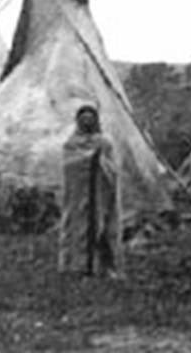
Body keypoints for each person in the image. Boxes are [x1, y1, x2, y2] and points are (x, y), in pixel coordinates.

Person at [58, 103, 124, 277]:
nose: (87, 122)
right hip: (78, 197)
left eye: (90, 119)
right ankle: (75, 265)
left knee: (101, 227)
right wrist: (88, 160)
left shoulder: (104, 142)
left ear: (96, 121)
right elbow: (69, 166)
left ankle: (101, 267)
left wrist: (100, 164)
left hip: (100, 194)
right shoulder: (71, 144)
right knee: (76, 228)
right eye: (83, 119)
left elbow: (112, 168)